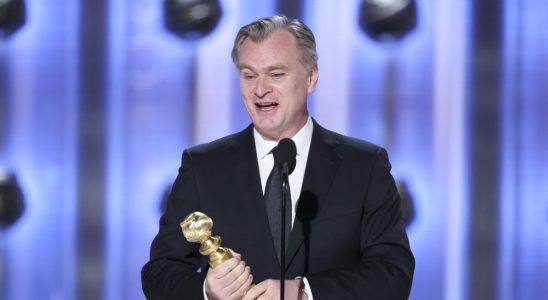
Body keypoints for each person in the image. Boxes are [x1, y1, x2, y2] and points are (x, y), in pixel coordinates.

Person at [142, 15, 414, 300]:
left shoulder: (364, 166)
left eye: (276, 74)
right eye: (249, 75)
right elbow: (160, 273)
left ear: (311, 77)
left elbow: (392, 274)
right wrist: (206, 291)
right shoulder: (203, 166)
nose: (260, 90)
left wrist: (305, 292)